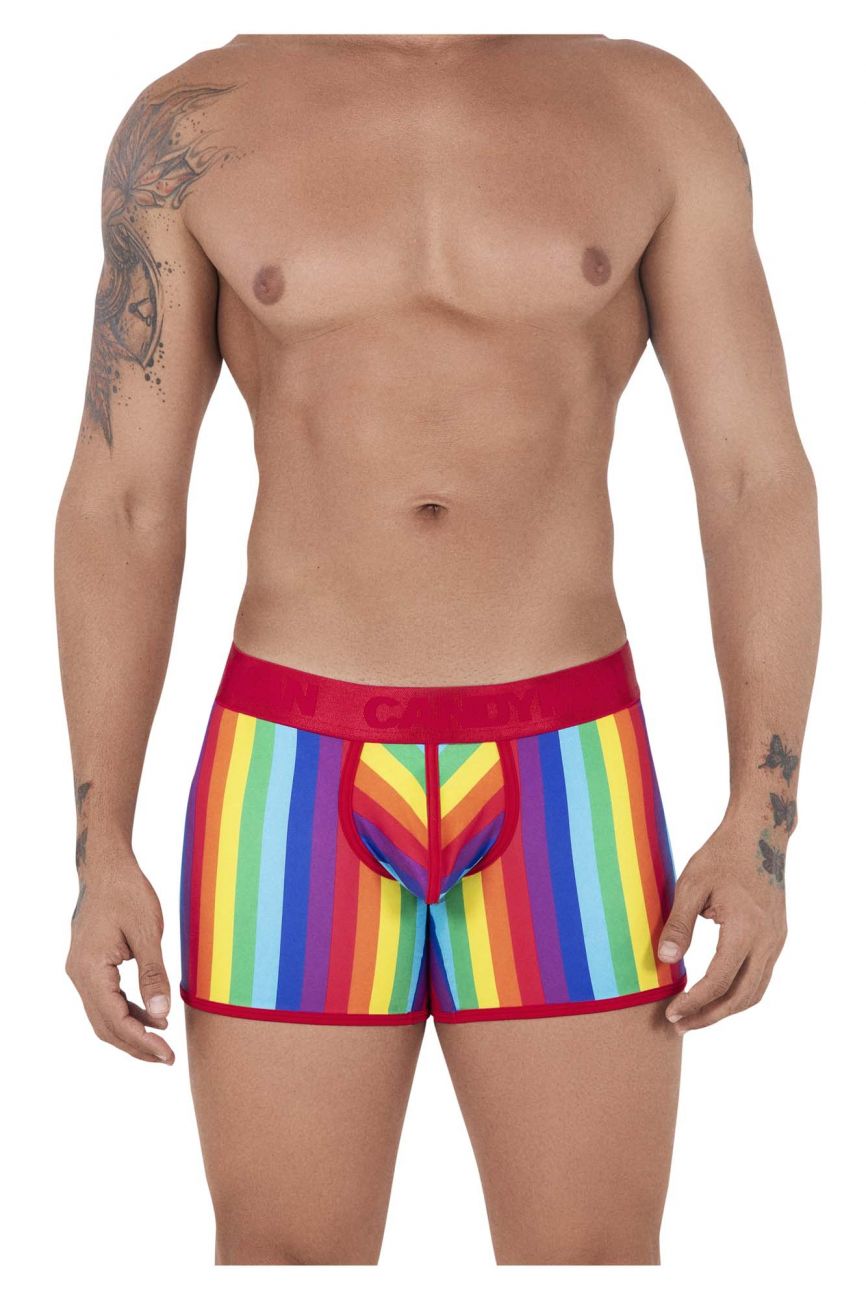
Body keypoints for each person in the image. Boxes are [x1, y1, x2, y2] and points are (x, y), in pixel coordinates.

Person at [55, 34, 820, 1265]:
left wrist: (760, 822)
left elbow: (752, 477)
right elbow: (123, 502)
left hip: (565, 771)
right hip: (289, 774)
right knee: (283, 1259)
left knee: (589, 1262)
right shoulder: (192, 119)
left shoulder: (649, 107)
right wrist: (102, 846)